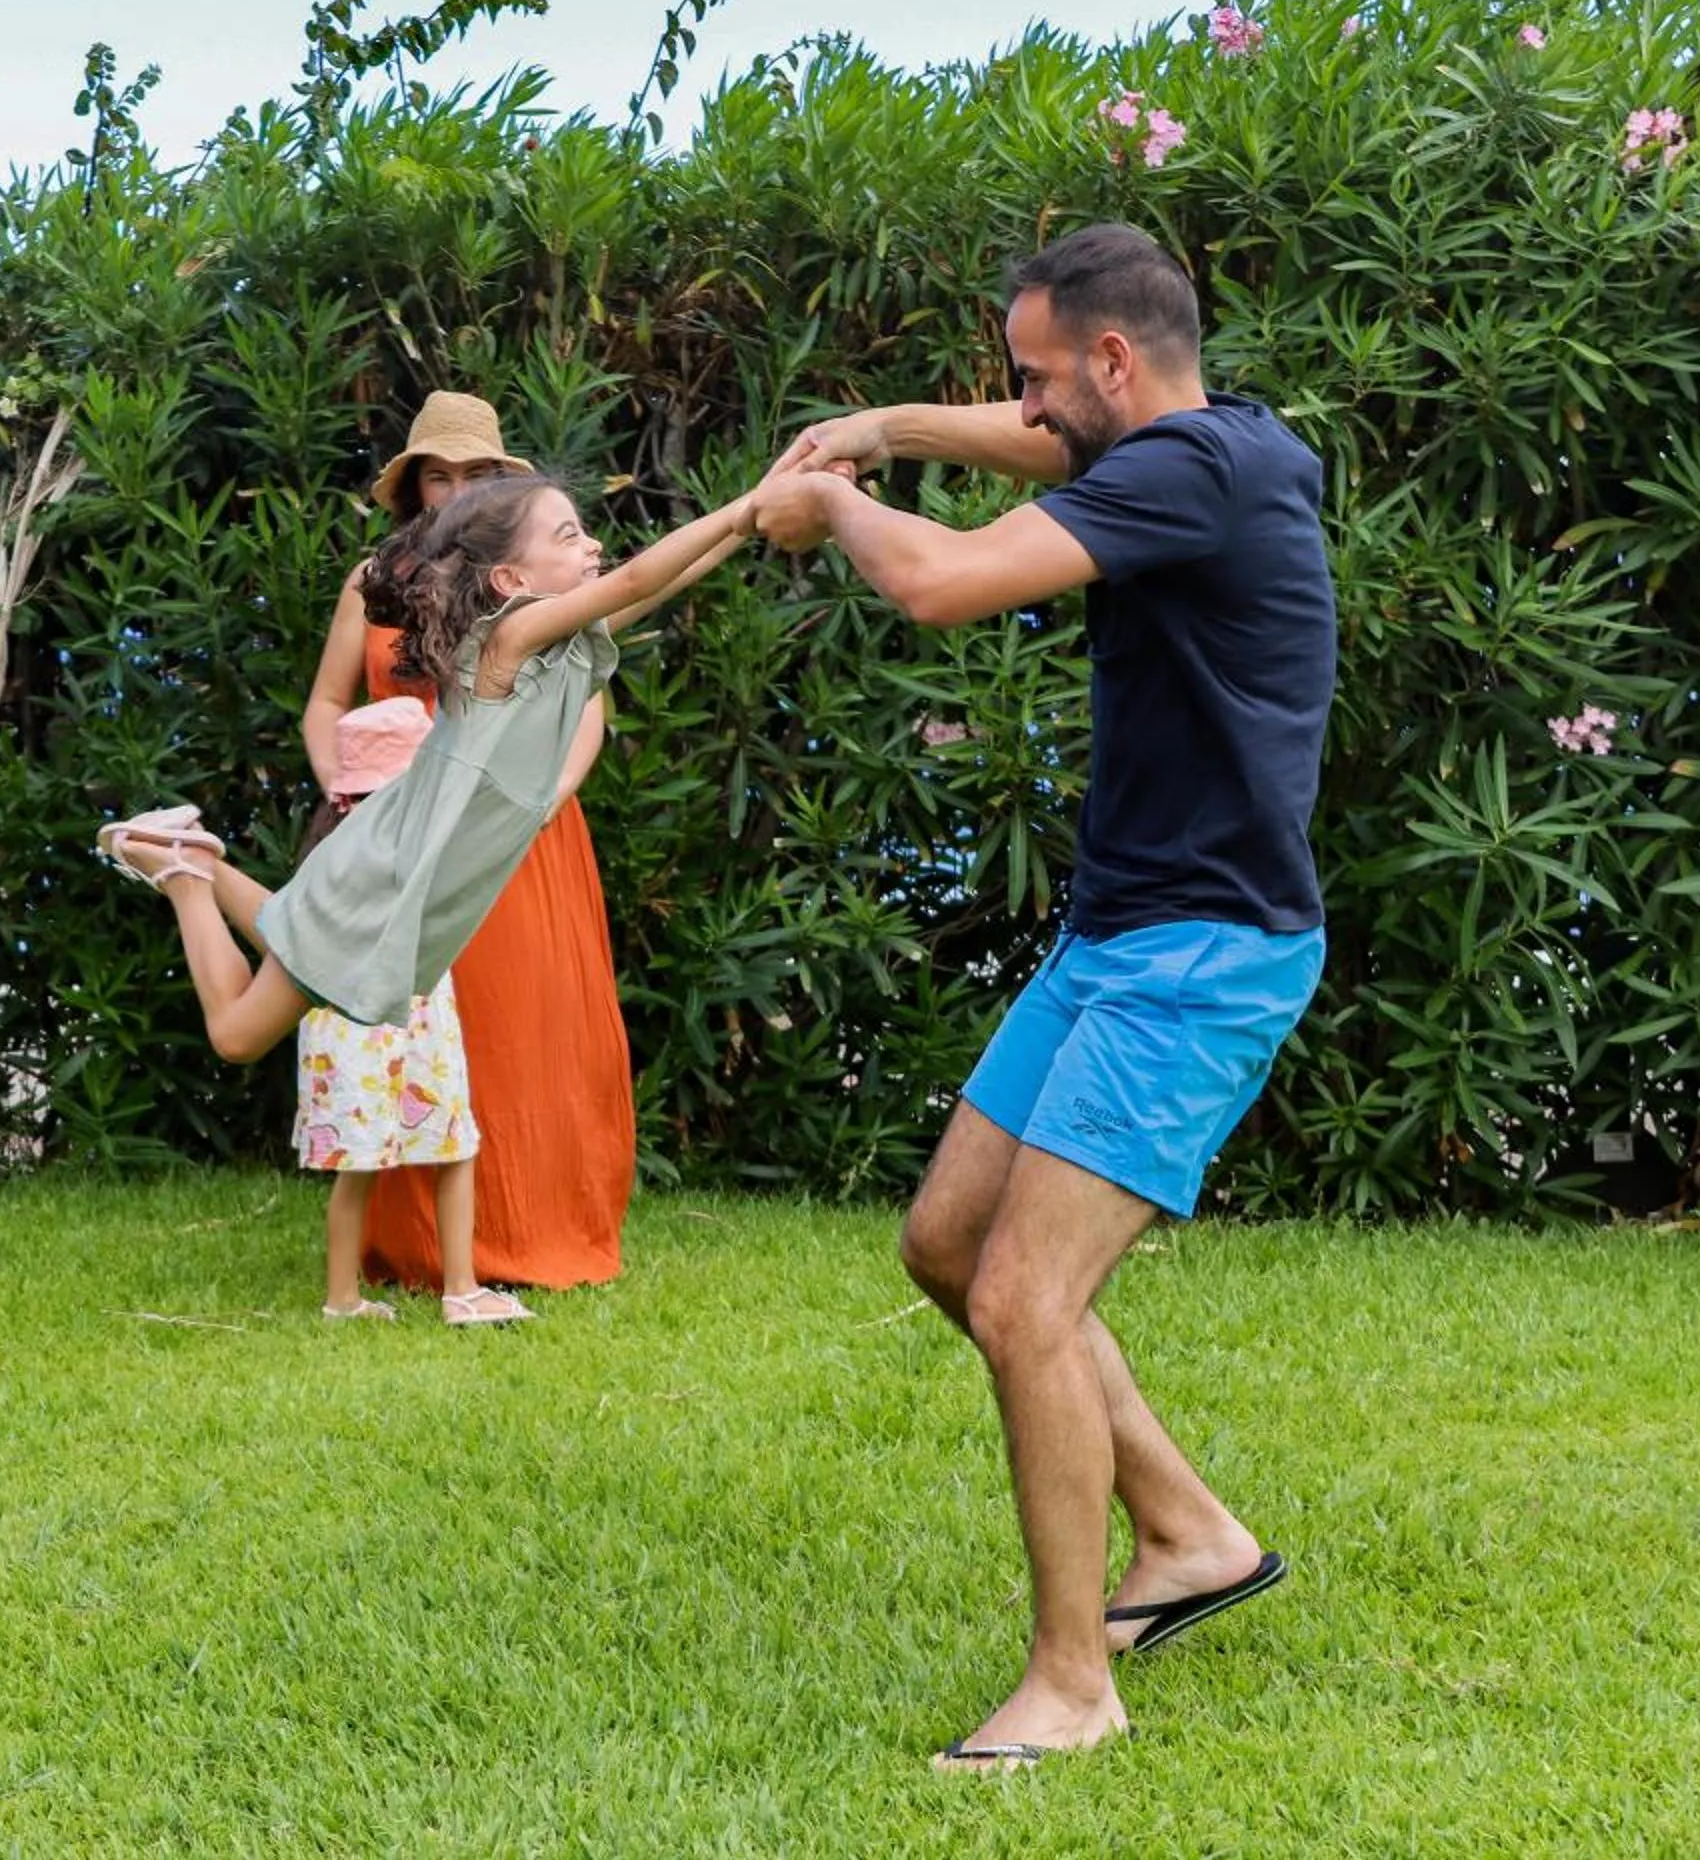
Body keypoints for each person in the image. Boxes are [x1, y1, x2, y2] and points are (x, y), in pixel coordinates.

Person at [750, 221, 1335, 1765]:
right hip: (1123, 932)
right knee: (949, 1246)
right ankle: (1192, 1536)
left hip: (1204, 954)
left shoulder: (1183, 476)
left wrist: (831, 507)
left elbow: (939, 586)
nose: (1023, 410)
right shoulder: (1232, 441)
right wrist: (879, 429)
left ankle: (1075, 1684)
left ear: (1117, 362)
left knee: (1025, 1299)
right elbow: (1031, 442)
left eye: (1039, 376)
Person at [100, 477, 759, 1242]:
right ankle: (183, 874)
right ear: (511, 581)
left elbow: (657, 584)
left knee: (288, 930)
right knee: (239, 1036)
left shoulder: (562, 648)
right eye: (570, 537)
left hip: (380, 867)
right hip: (379, 882)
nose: (594, 548)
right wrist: (746, 506)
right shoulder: (504, 644)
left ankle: (198, 859)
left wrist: (757, 518)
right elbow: (641, 576)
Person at [301, 393, 638, 1292]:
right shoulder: (377, 584)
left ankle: (537, 1236)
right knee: (411, 1036)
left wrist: (531, 806)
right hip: (404, 834)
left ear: (499, 486)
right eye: (436, 475)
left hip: (517, 828)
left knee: (533, 1038)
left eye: (474, 476)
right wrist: (350, 803)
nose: (453, 490)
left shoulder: (533, 578)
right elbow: (328, 706)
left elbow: (585, 717)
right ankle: (415, 1250)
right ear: (412, 486)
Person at [297, 696, 523, 1328]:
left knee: (453, 1144)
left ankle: (459, 1286)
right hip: (359, 1028)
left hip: (419, 1016)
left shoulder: (378, 847)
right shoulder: (363, 858)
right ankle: (348, 1296)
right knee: (363, 1161)